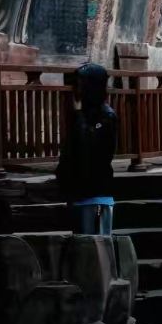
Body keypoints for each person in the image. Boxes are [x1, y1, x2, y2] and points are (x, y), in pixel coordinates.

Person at [55, 63, 117, 235]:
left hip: (95, 194)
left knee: (95, 250)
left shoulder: (106, 117)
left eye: (81, 86)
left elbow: (94, 154)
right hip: (79, 194)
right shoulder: (81, 116)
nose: (77, 91)